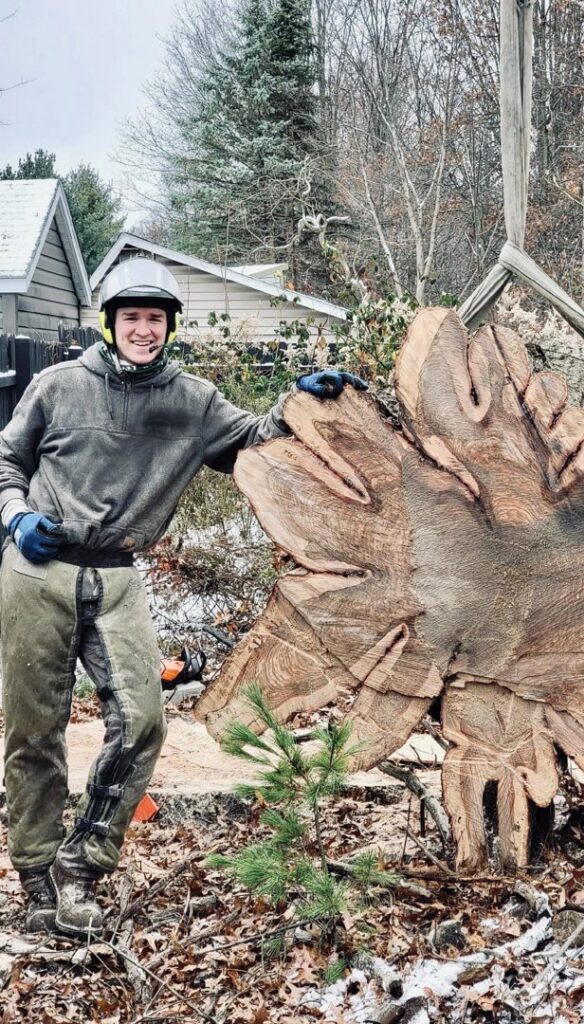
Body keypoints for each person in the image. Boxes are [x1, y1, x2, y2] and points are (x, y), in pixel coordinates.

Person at [0, 257, 365, 937]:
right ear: (109, 323)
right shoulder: (57, 386)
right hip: (36, 572)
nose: (144, 329)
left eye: (156, 318)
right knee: (33, 731)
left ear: (169, 326)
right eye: (132, 317)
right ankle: (37, 879)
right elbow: (7, 459)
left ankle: (82, 868)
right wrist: (16, 515)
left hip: (115, 577)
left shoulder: (191, 401)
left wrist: (301, 402)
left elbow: (255, 442)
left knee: (144, 721)